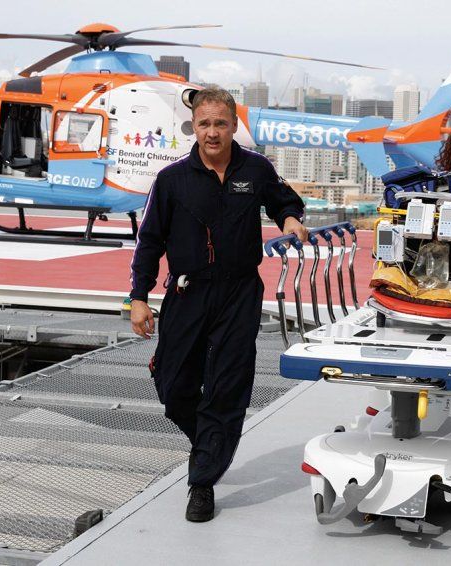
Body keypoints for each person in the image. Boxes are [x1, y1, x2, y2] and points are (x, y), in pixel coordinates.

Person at [128, 88, 307, 523]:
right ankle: (210, 440)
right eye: (204, 123)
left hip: (239, 293)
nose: (212, 132)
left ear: (232, 126)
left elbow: (285, 200)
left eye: (221, 123)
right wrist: (138, 297)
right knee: (173, 388)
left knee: (227, 388)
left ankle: (202, 481)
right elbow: (149, 241)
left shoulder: (255, 168)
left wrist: (289, 218)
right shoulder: (172, 181)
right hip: (187, 293)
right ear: (195, 125)